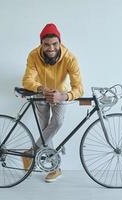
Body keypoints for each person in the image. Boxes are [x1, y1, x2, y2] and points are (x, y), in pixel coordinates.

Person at [22, 23, 84, 182]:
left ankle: (30, 153)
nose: (51, 48)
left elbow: (79, 89)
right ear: (41, 44)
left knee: (56, 123)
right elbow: (27, 80)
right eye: (47, 45)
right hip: (40, 93)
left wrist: (63, 96)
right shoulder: (33, 55)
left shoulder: (70, 58)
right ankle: (55, 169)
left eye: (54, 44)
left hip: (61, 93)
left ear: (60, 43)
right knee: (45, 129)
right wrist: (43, 89)